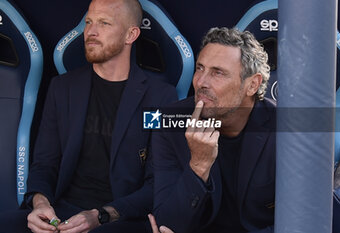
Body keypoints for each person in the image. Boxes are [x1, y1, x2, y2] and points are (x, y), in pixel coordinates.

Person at [0, 0, 177, 232]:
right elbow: (45, 164)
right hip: (60, 213)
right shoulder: (62, 88)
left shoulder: (160, 97)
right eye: (89, 22)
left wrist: (101, 216)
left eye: (104, 23)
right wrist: (40, 205)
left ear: (131, 34)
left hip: (119, 218)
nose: (91, 32)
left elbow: (158, 183)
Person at [151, 27, 275, 233]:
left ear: (253, 85)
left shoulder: (286, 130)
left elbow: (303, 222)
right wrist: (198, 166)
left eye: (218, 73)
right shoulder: (169, 121)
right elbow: (166, 224)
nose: (200, 82)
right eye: (200, 68)